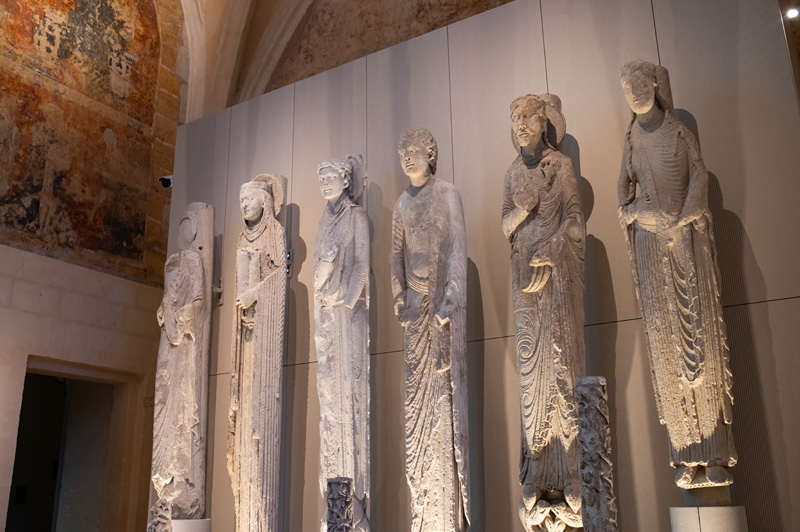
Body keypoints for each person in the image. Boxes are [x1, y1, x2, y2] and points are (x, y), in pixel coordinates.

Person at [618, 59, 736, 488]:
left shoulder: (678, 133)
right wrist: (635, 214)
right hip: (651, 249)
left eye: (639, 83)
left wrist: (683, 219)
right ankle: (686, 453)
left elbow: (698, 176)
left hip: (684, 244)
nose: (633, 91)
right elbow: (622, 193)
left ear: (655, 84)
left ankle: (715, 450)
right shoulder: (631, 140)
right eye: (626, 86)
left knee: (700, 340)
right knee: (666, 342)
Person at [501, 94, 585, 531]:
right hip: (524, 292)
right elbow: (504, 227)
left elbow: (575, 221)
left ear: (544, 122)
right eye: (514, 119)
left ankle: (571, 472)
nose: (519, 124)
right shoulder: (514, 173)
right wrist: (522, 209)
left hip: (557, 286)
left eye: (527, 117)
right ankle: (537, 474)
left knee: (562, 371)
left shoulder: (563, 167)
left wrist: (553, 250)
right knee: (532, 382)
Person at [390, 127, 470, 532]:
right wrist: (398, 299)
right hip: (415, 316)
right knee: (416, 411)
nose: (407, 157)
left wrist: (451, 299)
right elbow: (395, 257)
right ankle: (423, 513)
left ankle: (445, 515)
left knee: (442, 406)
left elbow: (457, 247)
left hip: (440, 311)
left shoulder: (448, 194)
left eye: (414, 150)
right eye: (402, 151)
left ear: (431, 153)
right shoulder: (401, 204)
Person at [313, 155, 370, 532]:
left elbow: (363, 266)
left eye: (330, 176)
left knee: (349, 400)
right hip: (327, 324)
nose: (325, 184)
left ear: (346, 179)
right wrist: (325, 275)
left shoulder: (357, 218)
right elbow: (317, 271)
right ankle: (333, 503)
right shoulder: (323, 222)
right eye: (321, 179)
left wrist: (345, 301)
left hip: (348, 320)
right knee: (329, 406)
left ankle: (352, 504)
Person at [228, 174, 287, 531]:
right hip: (246, 332)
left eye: (249, 200)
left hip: (265, 337)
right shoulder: (239, 237)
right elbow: (240, 285)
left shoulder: (276, 234)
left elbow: (279, 277)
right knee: (242, 419)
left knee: (259, 427)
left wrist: (255, 295)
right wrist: (244, 300)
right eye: (241, 202)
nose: (244, 206)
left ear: (264, 201)